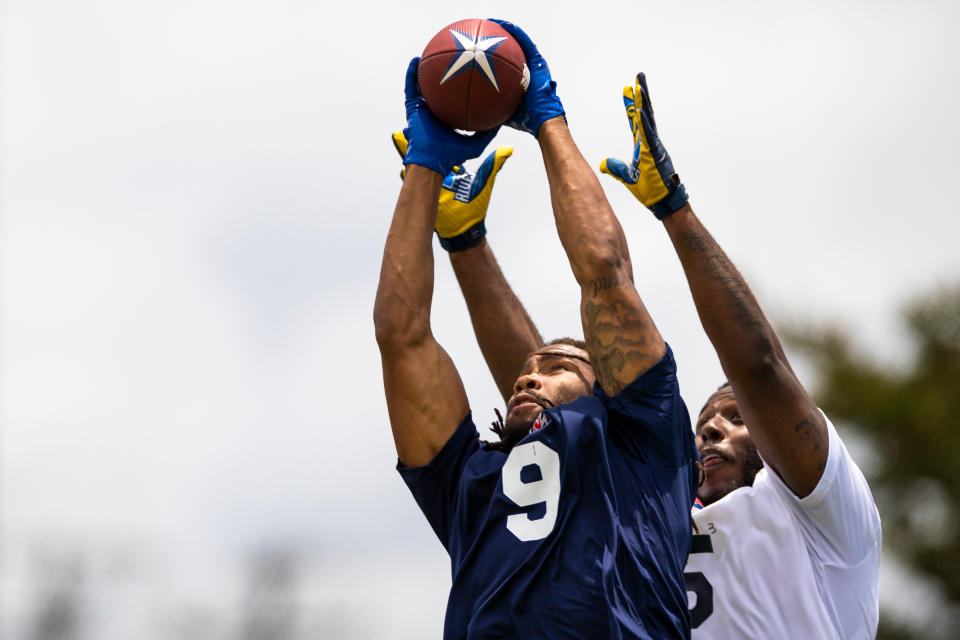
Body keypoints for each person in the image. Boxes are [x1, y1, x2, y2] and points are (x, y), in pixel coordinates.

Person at [374, 20, 699, 640]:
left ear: (609, 388)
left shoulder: (640, 444)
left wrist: (547, 119)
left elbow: (604, 274)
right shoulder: (465, 483)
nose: (528, 372)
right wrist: (423, 164)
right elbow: (401, 336)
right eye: (530, 368)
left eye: (558, 366)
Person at [598, 73, 882, 638]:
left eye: (735, 417)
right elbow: (545, 398)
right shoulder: (660, 529)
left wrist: (672, 208)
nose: (711, 430)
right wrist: (466, 246)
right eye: (704, 423)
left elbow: (759, 369)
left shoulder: (822, 512)